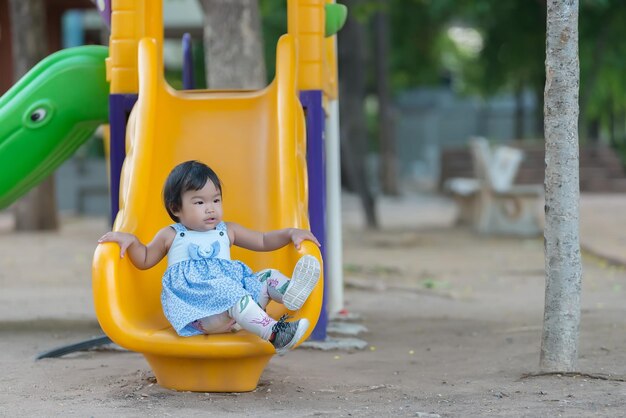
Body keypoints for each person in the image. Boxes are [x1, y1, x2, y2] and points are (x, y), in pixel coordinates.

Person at [98, 160, 321, 354]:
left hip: (238, 309)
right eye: (199, 202)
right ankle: (275, 335)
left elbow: (263, 240)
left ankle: (290, 292)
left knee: (267, 276)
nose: (210, 209)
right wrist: (132, 241)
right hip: (204, 315)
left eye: (216, 200)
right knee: (230, 291)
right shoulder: (171, 235)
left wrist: (290, 233)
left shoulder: (227, 230)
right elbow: (144, 259)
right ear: (176, 208)